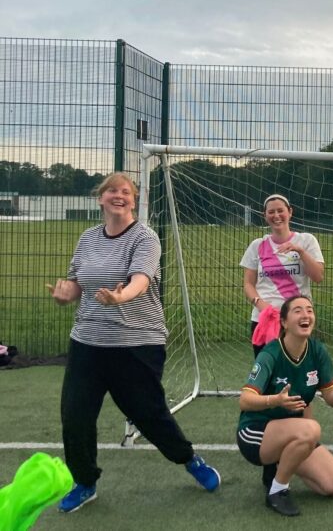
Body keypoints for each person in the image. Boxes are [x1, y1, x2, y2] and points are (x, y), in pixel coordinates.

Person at [46, 172, 221, 514]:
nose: (119, 195)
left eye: (126, 191)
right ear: (101, 198)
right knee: (75, 416)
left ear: (134, 200)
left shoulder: (146, 238)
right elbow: (76, 283)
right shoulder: (87, 239)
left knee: (149, 416)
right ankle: (84, 483)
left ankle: (189, 459)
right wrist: (66, 294)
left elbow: (140, 281)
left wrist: (120, 296)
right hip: (87, 343)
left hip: (136, 344)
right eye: (112, 190)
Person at [237, 295, 333, 517]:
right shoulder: (270, 354)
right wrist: (274, 400)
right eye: (298, 310)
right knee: (311, 429)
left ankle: (276, 468)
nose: (306, 315)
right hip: (255, 433)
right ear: (283, 322)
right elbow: (244, 400)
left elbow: (331, 399)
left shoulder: (317, 351)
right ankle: (277, 490)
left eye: (310, 310)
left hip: (293, 434)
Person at [241, 194, 325, 356]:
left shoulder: (306, 241)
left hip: (298, 320)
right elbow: (248, 284)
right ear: (264, 215)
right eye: (271, 212)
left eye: (281, 211)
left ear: (290, 212)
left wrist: (300, 251)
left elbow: (318, 277)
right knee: (266, 372)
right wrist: (261, 305)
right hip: (264, 319)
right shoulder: (257, 245)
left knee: (298, 370)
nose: (276, 216)